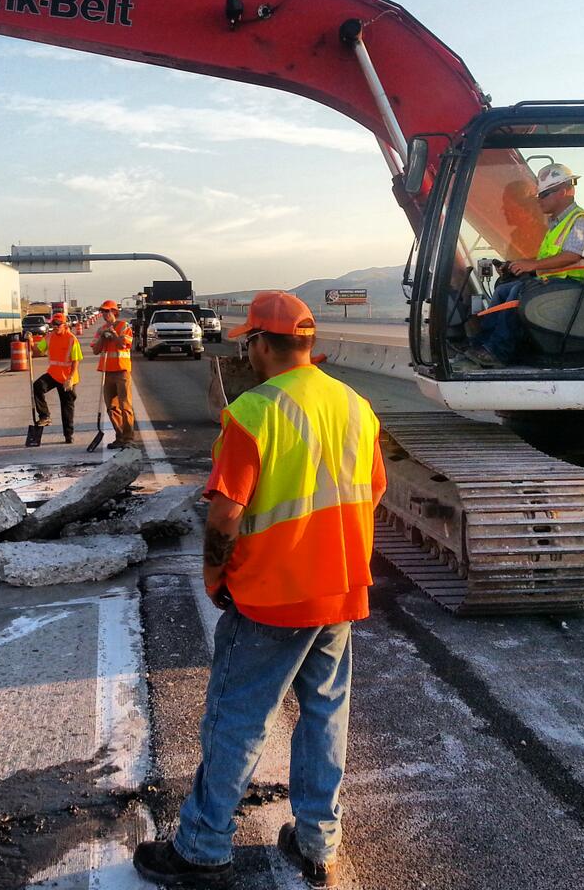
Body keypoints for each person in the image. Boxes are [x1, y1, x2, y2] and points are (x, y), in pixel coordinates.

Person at [133, 291, 386, 890]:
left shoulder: (255, 411)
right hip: (339, 591)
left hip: (272, 597)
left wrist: (215, 577)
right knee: (325, 715)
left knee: (238, 720)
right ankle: (317, 844)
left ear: (261, 344)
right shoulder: (355, 405)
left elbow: (225, 515)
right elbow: (373, 491)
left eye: (248, 341)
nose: (246, 351)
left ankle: (202, 847)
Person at [464, 163, 584, 367]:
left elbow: (571, 256)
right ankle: (483, 344)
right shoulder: (557, 223)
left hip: (575, 286)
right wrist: (518, 265)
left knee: (518, 291)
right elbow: (550, 259)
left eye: (544, 194)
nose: (539, 200)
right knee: (503, 290)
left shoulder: (581, 221)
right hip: (555, 282)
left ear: (563, 191)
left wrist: (532, 265)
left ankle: (498, 351)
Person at [90, 299, 135, 448]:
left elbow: (124, 344)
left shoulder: (124, 326)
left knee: (125, 405)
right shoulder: (101, 329)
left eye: (107, 311)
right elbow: (95, 350)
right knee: (111, 407)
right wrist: (103, 338)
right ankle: (120, 436)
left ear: (115, 312)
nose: (105, 314)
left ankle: (128, 439)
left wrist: (114, 335)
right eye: (103, 311)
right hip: (108, 372)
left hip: (122, 372)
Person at [33, 313, 83, 444]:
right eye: (53, 324)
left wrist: (70, 378)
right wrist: (30, 342)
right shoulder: (50, 337)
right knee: (38, 386)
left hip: (67, 378)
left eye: (58, 324)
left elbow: (76, 361)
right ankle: (45, 416)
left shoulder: (71, 339)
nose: (55, 327)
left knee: (67, 407)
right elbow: (38, 350)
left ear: (65, 325)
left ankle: (68, 435)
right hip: (53, 374)